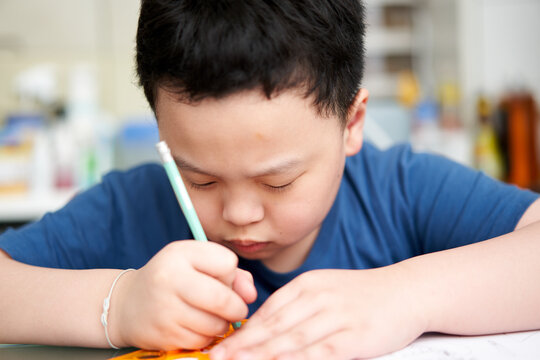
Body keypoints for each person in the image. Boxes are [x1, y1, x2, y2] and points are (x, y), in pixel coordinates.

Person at [1, 1, 540, 359]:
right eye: (200, 179)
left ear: (351, 124)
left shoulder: (398, 191)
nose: (239, 214)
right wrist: (117, 305)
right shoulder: (131, 206)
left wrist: (404, 297)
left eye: (278, 183)